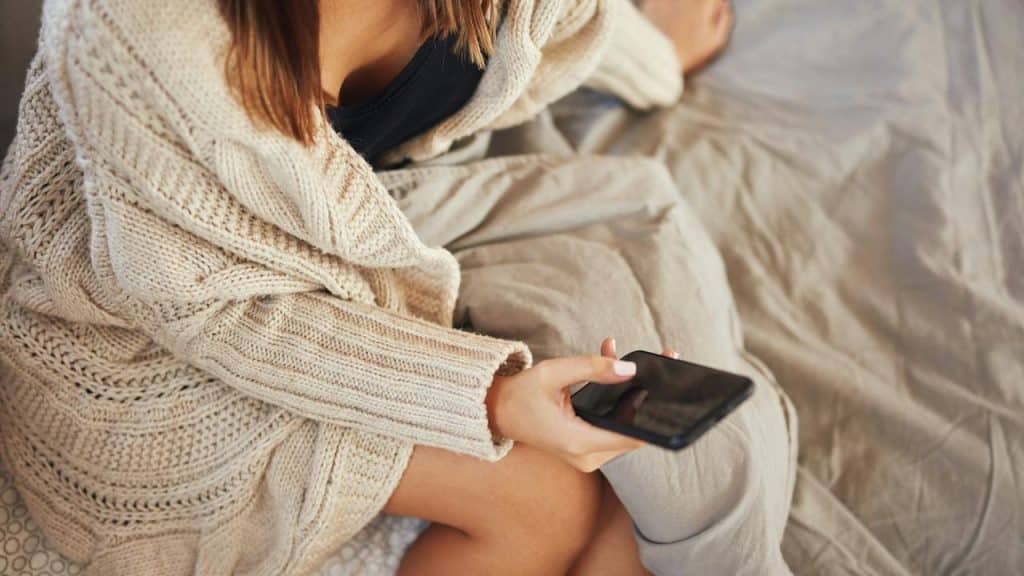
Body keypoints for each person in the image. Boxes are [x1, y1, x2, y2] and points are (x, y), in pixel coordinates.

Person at [0, 0, 794, 575]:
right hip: (145, 345)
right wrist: (487, 398)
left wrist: (660, 56)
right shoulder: (133, 29)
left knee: (659, 481)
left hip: (376, 241)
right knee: (553, 502)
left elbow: (567, 25)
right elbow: (215, 313)